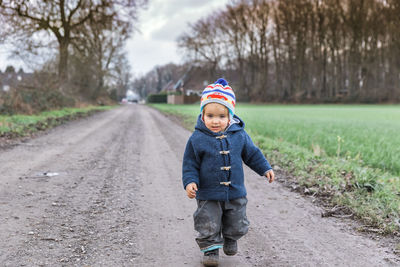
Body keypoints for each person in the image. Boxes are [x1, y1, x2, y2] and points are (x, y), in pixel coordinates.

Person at [182, 78, 275, 266]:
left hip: (235, 190)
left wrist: (265, 168)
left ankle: (231, 238)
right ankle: (210, 251)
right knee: (208, 221)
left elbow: (252, 154)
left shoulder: (239, 135)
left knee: (236, 219)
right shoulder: (197, 138)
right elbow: (190, 164)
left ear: (230, 116)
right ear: (202, 115)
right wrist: (190, 182)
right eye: (210, 116)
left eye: (221, 116)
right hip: (208, 192)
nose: (215, 121)